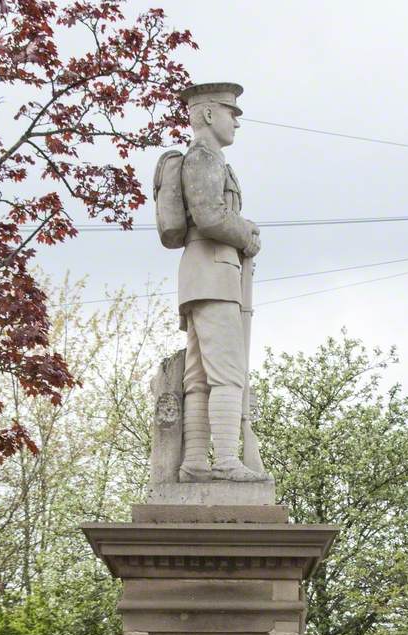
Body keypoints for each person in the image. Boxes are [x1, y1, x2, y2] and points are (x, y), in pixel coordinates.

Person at [174, 82, 268, 483]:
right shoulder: (205, 158)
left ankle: (195, 461)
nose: (236, 123)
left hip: (203, 276)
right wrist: (247, 233)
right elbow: (211, 217)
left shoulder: (206, 159)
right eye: (232, 113)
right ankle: (227, 459)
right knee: (227, 372)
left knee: (198, 376)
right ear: (209, 114)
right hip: (214, 274)